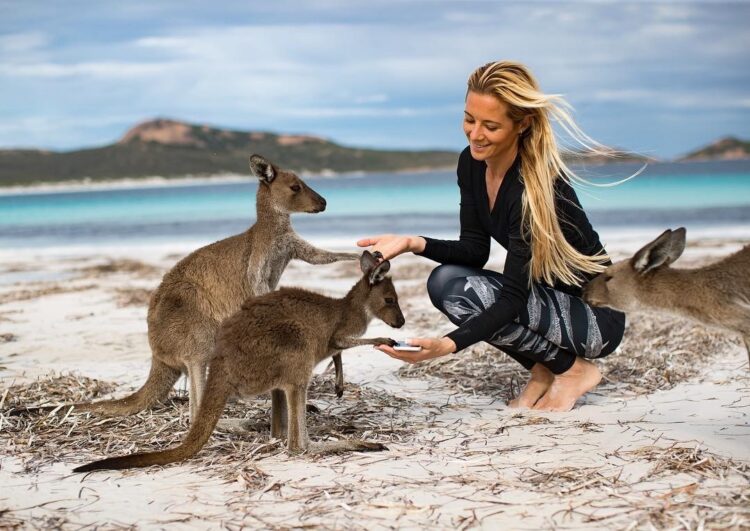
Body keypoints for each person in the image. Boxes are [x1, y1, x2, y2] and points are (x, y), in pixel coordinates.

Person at [357, 60, 626, 412]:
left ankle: (573, 370)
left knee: (458, 289)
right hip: (546, 303)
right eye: (470, 119)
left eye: (491, 125)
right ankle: (544, 369)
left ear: (522, 124)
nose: (475, 134)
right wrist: (413, 243)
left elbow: (513, 298)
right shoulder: (471, 164)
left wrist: (446, 346)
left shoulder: (533, 189)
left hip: (596, 319)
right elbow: (474, 251)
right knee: (448, 281)